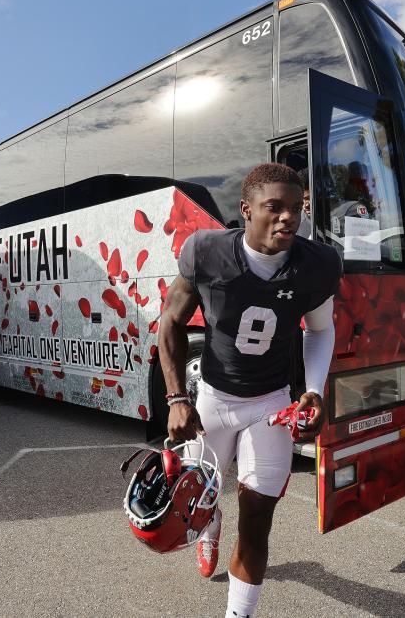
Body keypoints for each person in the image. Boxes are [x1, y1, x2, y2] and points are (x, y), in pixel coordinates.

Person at [159, 163, 342, 618]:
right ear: (246, 211)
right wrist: (177, 398)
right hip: (215, 400)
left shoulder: (316, 263)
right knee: (198, 500)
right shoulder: (206, 251)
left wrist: (314, 390)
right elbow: (171, 322)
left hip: (270, 403)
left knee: (257, 521)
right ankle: (209, 525)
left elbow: (321, 331)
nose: (287, 218)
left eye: (295, 208)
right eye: (273, 208)